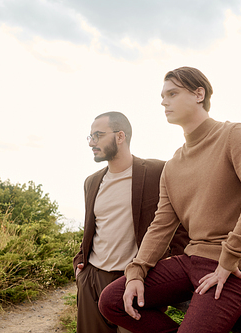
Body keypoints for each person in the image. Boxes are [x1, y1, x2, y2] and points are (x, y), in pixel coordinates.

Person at [97, 67, 241, 333]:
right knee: (112, 301)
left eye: (172, 93)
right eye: (162, 96)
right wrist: (137, 271)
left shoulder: (232, 134)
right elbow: (161, 225)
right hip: (191, 259)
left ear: (199, 94)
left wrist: (229, 257)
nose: (163, 101)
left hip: (237, 266)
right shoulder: (173, 165)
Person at [73, 111, 189, 333]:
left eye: (97, 135)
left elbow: (182, 222)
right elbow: (92, 230)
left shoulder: (158, 171)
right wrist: (81, 263)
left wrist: (173, 264)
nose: (91, 143)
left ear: (120, 136)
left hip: (133, 280)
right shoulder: (92, 182)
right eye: (89, 137)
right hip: (92, 280)